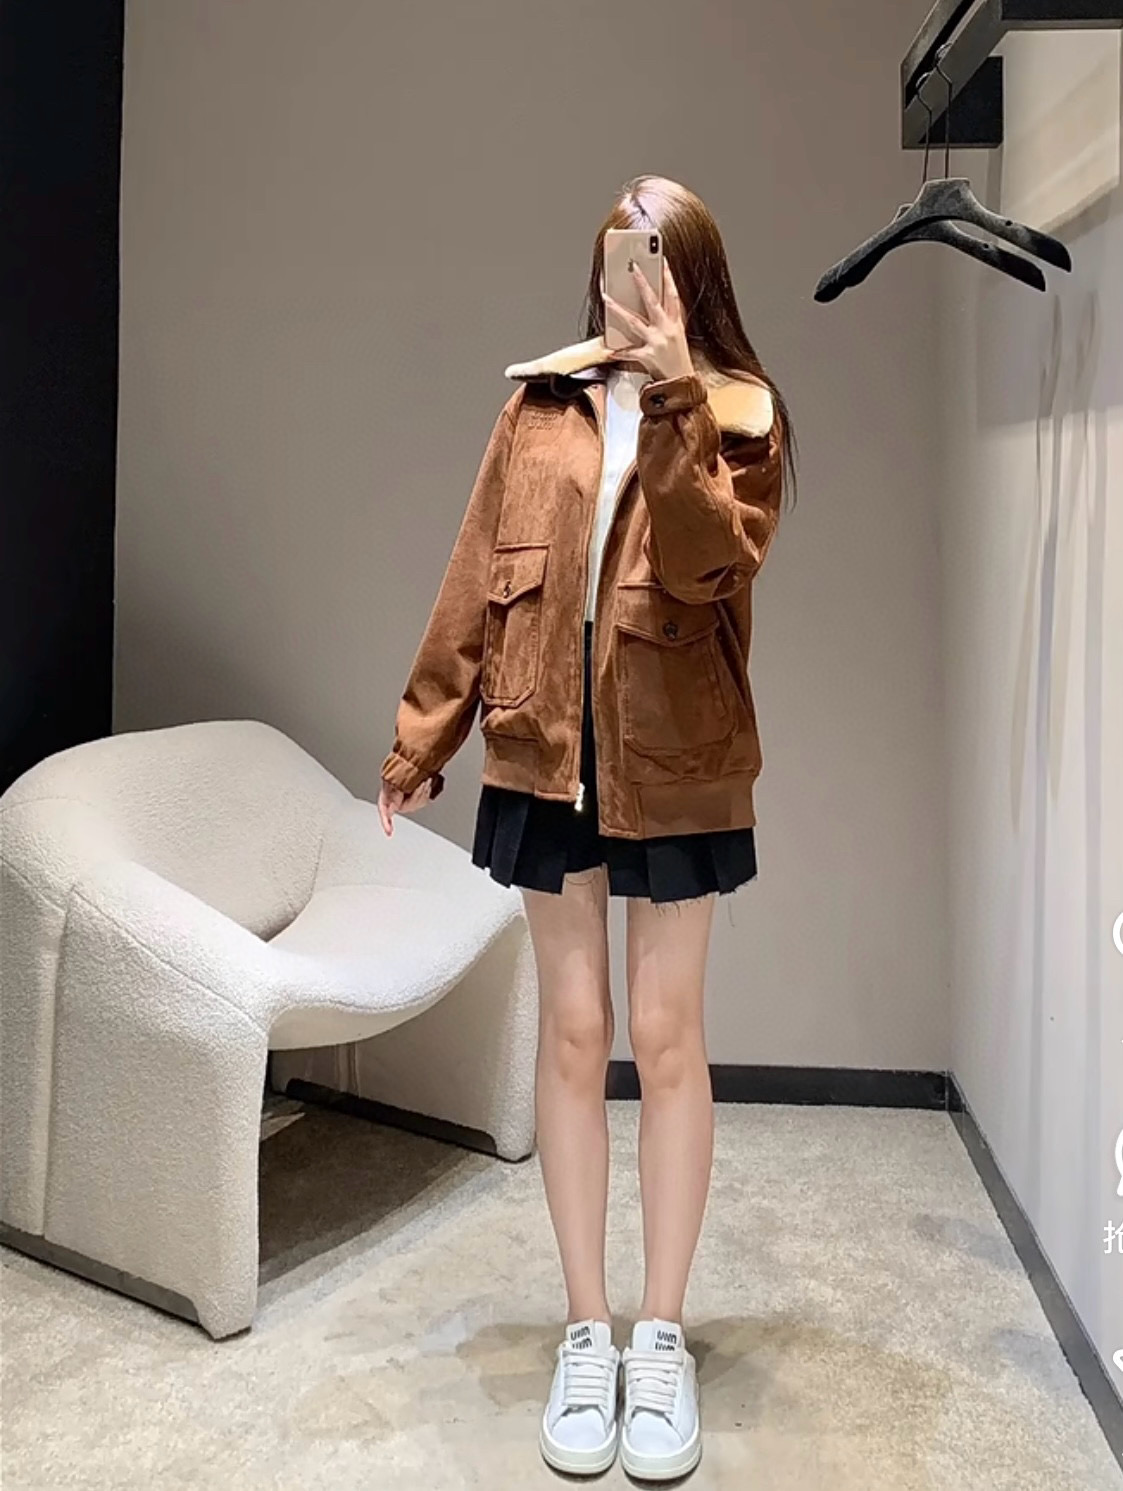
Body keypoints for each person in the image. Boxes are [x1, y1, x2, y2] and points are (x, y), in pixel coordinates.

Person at [378, 175, 794, 1482]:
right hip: (543, 752)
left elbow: (709, 561)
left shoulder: (740, 413)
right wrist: (424, 735)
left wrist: (671, 395)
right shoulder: (538, 406)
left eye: (655, 262)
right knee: (570, 1032)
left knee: (666, 1038)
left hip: (678, 759)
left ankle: (659, 1337)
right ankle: (586, 1328)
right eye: (617, 260)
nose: (631, 286)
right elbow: (475, 575)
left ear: (693, 277)